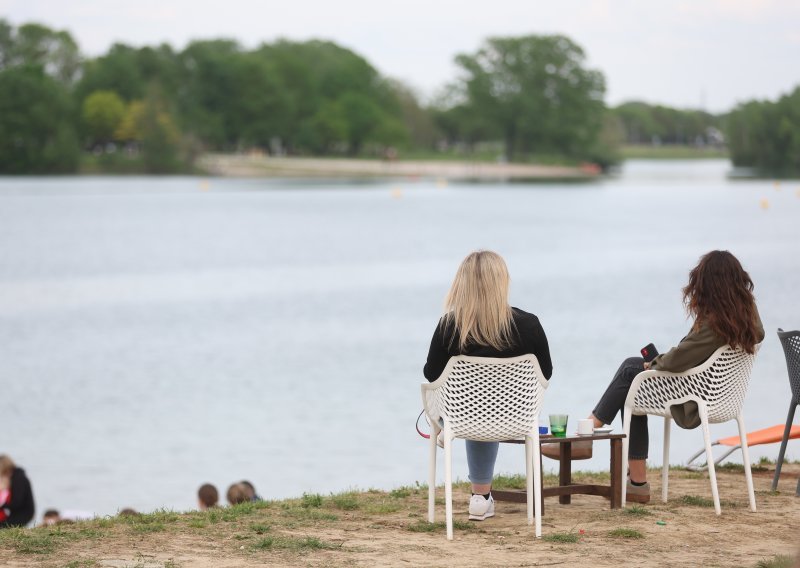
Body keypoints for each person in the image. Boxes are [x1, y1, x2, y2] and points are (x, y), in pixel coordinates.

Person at [588, 250, 764, 503]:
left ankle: (589, 430)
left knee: (630, 371)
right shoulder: (748, 321)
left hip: (695, 398)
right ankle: (635, 481)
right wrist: (659, 363)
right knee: (632, 385)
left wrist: (655, 364)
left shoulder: (716, 325)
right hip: (722, 396)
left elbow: (679, 359)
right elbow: (692, 355)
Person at [423, 250, 553, 521]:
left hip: (463, 417)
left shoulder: (449, 326)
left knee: (472, 405)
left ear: (462, 284)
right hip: (516, 416)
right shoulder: (529, 325)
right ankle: (481, 497)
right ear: (502, 281)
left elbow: (431, 374)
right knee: (487, 405)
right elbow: (546, 373)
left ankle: (479, 497)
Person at [0, 455, 35, 528]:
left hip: (23, 513)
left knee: (3, 526)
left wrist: (3, 505)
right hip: (18, 512)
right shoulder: (15, 477)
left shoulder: (19, 479)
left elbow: (17, 502)